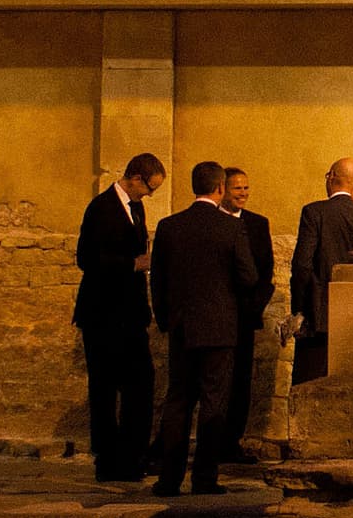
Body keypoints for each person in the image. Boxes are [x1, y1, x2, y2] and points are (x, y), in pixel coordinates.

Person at [146, 161, 261, 496]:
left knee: (178, 400)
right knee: (214, 402)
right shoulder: (230, 229)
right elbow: (249, 276)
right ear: (220, 189)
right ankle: (204, 478)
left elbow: (158, 279)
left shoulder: (170, 227)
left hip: (182, 326)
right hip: (220, 327)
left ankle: (169, 478)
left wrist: (165, 318)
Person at [71, 153, 161, 483]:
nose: (150, 195)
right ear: (135, 178)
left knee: (140, 383)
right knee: (105, 388)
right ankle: (109, 460)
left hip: (130, 314)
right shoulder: (101, 207)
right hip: (103, 314)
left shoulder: (136, 208)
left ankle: (131, 454)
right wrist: (132, 264)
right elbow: (86, 258)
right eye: (149, 188)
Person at [287, 158, 353, 388]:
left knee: (308, 384)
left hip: (319, 314)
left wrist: (300, 309)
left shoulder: (314, 212)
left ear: (330, 178)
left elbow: (302, 265)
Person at [221, 165, 276, 453]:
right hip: (217, 315)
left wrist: (253, 307)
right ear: (222, 190)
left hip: (244, 315)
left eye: (245, 187)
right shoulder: (212, 222)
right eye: (236, 188)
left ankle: (232, 440)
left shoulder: (257, 224)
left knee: (241, 381)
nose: (243, 193)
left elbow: (265, 271)